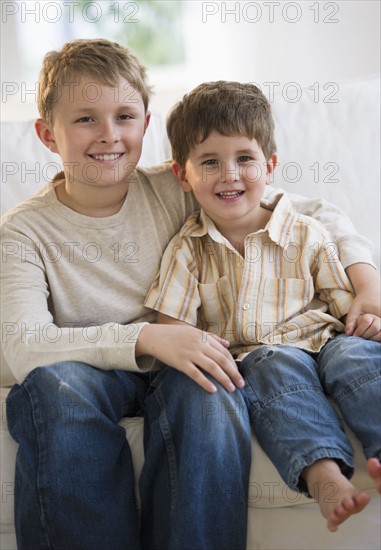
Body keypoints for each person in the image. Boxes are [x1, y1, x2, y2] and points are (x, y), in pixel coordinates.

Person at [0, 39, 378, 550]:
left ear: (145, 126)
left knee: (211, 389)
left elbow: (309, 212)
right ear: (48, 134)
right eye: (85, 119)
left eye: (125, 116)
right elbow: (24, 345)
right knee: (55, 388)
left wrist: (367, 284)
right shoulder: (23, 232)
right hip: (92, 370)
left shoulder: (176, 185)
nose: (109, 136)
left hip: (183, 365)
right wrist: (150, 338)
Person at [144, 80, 381, 534]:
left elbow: (345, 305)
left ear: (270, 166)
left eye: (245, 159)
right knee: (272, 365)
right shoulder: (187, 251)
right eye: (209, 162)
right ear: (183, 175)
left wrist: (365, 323)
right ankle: (325, 476)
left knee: (356, 355)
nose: (229, 175)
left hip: (327, 339)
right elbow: (172, 334)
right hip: (262, 357)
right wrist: (197, 346)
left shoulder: (307, 233)